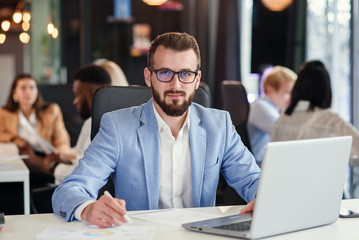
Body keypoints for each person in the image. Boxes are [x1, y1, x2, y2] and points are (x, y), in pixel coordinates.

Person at [52, 32, 260, 227]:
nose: (175, 85)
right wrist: (88, 209)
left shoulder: (219, 125)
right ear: (148, 76)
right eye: (164, 73)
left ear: (197, 80)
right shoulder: (117, 127)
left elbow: (253, 180)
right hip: (142, 235)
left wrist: (263, 198)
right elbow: (69, 190)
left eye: (185, 74)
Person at [0, 73, 72, 177]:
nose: (28, 92)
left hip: (49, 154)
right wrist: (15, 139)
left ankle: (58, 168)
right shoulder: (4, 113)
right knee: (26, 157)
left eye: (32, 87)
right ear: (14, 92)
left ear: (37, 91)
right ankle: (57, 169)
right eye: (23, 88)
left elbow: (62, 140)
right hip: (25, 156)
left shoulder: (51, 111)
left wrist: (61, 154)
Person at [54, 64, 112, 184]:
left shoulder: (93, 123)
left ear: (91, 95)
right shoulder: (113, 119)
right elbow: (81, 153)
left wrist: (54, 167)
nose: (74, 101)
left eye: (77, 95)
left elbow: (83, 171)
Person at [248, 66, 296, 166]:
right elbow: (286, 133)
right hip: (258, 164)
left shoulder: (273, 108)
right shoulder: (261, 107)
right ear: (271, 90)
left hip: (265, 161)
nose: (290, 98)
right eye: (287, 92)